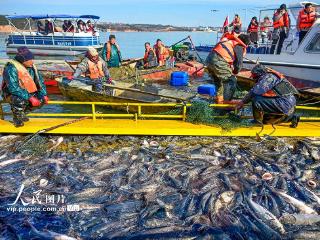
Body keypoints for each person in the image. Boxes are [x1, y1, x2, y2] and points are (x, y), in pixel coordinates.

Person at [1, 47, 48, 127]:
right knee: (19, 99)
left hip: (28, 92)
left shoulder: (32, 67)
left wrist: (43, 94)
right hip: (11, 93)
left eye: (32, 59)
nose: (32, 62)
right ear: (23, 61)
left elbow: (40, 81)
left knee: (42, 99)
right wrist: (30, 97)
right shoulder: (10, 68)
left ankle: (23, 113)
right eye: (29, 60)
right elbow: (13, 88)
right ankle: (17, 118)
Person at [206, 33, 250, 104]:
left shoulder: (228, 41)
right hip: (218, 61)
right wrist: (235, 73)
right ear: (245, 43)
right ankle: (226, 102)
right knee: (231, 80)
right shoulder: (238, 45)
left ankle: (219, 101)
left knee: (219, 82)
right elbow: (239, 64)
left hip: (209, 61)